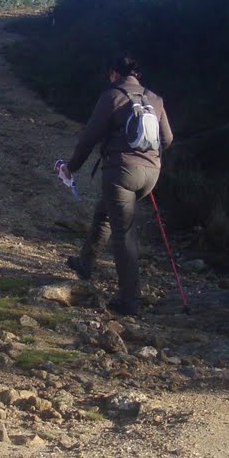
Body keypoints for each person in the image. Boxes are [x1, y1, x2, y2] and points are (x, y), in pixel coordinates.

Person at [62, 53, 173, 316]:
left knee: (124, 233)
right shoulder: (155, 99)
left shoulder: (112, 97)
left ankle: (129, 300)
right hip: (151, 172)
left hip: (122, 171)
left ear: (114, 74)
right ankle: (85, 263)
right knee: (105, 214)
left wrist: (71, 167)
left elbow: (89, 138)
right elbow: (167, 139)